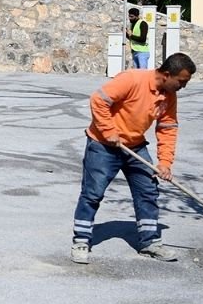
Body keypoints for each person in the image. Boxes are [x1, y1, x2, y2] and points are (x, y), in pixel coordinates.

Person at [70, 52, 196, 265]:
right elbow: (98, 100)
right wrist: (109, 130)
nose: (183, 86)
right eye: (181, 81)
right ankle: (81, 240)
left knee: (148, 190)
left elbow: (167, 128)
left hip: (135, 147)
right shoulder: (132, 79)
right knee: (93, 193)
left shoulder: (169, 96)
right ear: (166, 74)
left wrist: (165, 163)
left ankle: (150, 243)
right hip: (103, 145)